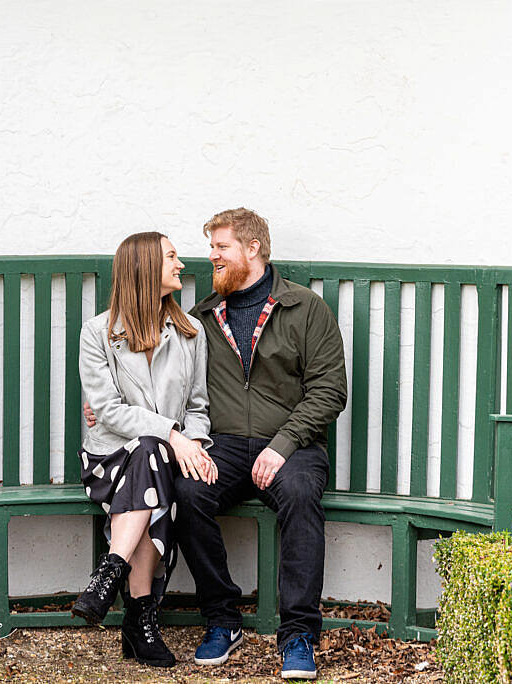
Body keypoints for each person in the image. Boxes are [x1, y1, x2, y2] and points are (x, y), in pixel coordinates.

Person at [86, 209, 348, 680]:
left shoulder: (306, 309)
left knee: (302, 495)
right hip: (223, 445)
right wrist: (111, 409)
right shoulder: (204, 316)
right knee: (187, 493)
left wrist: (283, 444)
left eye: (221, 248)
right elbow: (170, 385)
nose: (211, 257)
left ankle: (299, 634)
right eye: (211, 249)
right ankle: (222, 618)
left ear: (253, 249)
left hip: (291, 445)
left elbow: (330, 390)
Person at [73, 231, 217, 668]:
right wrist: (174, 437)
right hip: (108, 458)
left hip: (161, 459)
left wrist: (192, 442)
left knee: (153, 459)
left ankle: (110, 571)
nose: (181, 265)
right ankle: (141, 621)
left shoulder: (190, 334)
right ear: (144, 268)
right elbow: (108, 412)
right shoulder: (98, 333)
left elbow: (198, 406)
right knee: (151, 456)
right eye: (172, 257)